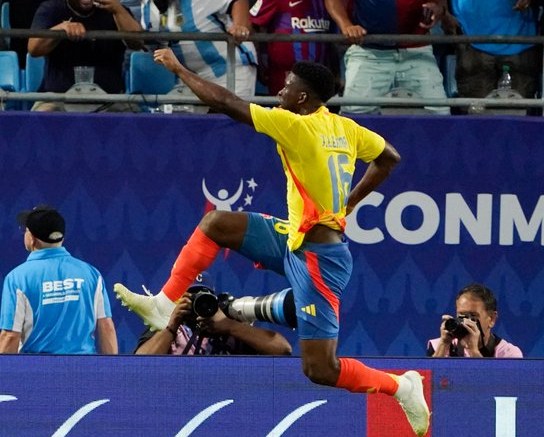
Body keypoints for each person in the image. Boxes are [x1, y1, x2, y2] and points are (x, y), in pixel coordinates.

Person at [114, 51, 430, 436]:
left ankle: (402, 386)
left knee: (319, 368)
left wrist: (180, 70)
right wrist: (349, 202)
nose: (280, 89)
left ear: (302, 98)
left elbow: (224, 102)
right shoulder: (345, 128)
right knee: (217, 223)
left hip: (320, 259)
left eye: (287, 85)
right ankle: (164, 303)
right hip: (294, 238)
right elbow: (389, 158)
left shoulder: (295, 126)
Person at [0, 205, 118, 354]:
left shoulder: (17, 278)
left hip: (36, 372)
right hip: (85, 371)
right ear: (62, 237)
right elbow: (106, 327)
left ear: (32, 239)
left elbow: (10, 336)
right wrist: (112, 372)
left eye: (25, 230)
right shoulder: (91, 274)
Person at [323, 0, 450, 115]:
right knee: (354, 114)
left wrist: (439, 10)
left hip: (417, 51)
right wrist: (346, 25)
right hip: (369, 52)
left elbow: (440, 4)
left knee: (440, 113)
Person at [134, 272, 292, 355]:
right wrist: (171, 327)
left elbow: (283, 349)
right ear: (179, 299)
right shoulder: (167, 323)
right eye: (191, 296)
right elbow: (138, 366)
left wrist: (230, 326)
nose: (197, 302)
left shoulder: (229, 323)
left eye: (203, 296)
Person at [28, 0, 143, 112]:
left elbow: (137, 43)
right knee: (39, 119)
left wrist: (119, 10)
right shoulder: (51, 8)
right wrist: (60, 29)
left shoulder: (115, 9)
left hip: (110, 100)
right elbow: (34, 49)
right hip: (57, 98)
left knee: (135, 121)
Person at [139, 0, 258, 101]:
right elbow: (143, 39)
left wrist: (239, 26)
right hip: (190, 76)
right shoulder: (147, 6)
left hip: (229, 70)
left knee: (227, 121)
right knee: (181, 121)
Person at [441, 0, 541, 109]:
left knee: (518, 118)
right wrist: (444, 14)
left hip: (521, 43)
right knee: (475, 117)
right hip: (471, 41)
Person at [249, 0, 339, 96]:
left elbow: (335, 40)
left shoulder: (329, 3)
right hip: (284, 74)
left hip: (320, 75)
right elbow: (250, 23)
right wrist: (260, 63)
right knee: (285, 109)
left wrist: (336, 73)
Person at [427, 283, 523, 358]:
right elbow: (428, 381)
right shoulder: (437, 345)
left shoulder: (508, 354)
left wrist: (473, 351)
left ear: (492, 319)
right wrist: (443, 344)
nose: (466, 322)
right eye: (462, 315)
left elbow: (488, 383)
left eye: (473, 316)